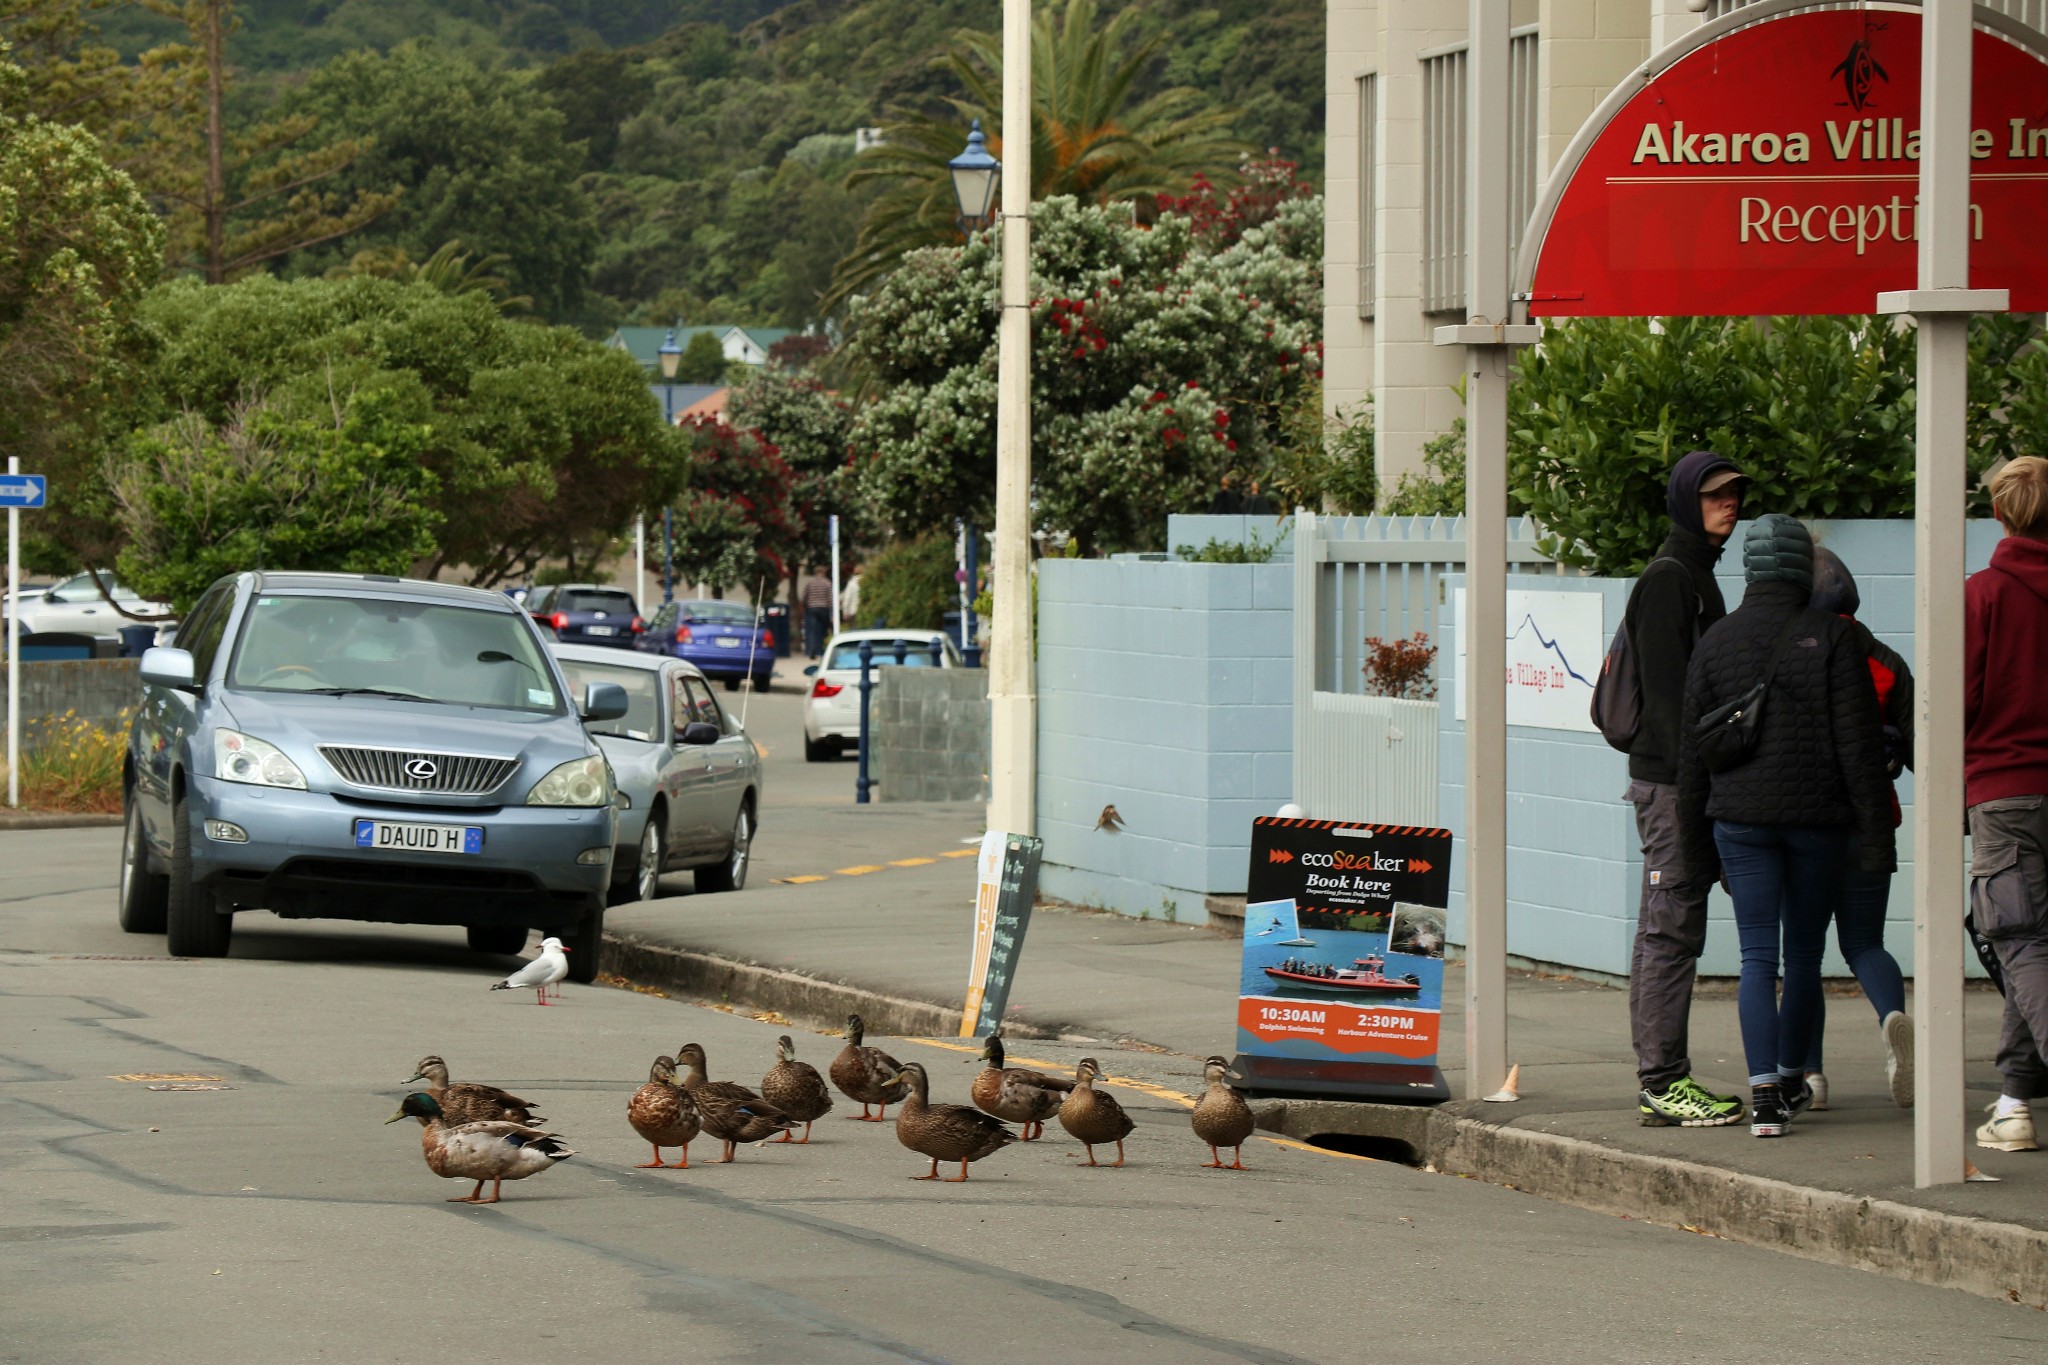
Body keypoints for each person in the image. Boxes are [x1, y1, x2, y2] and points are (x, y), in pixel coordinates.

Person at [1677, 514, 1895, 1138]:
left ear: (1751, 567)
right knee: (1801, 957)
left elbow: (1695, 758)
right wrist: (1877, 841)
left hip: (1739, 823)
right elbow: (1859, 750)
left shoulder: (1715, 640)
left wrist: (1696, 852)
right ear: (1803, 566)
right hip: (1817, 824)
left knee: (1754, 957)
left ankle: (1765, 1100)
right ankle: (1794, 1075)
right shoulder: (1834, 637)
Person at [1625, 449, 1751, 1128]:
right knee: (1671, 927)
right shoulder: (1673, 580)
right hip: (1674, 784)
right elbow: (1675, 702)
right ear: (1684, 501)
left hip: (1679, 782)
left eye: (1734, 493)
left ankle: (1661, 1075)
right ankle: (1663, 1080)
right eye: (1713, 494)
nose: (1728, 502)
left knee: (1664, 927)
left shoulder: (1697, 575)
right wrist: (1700, 789)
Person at [1799, 548, 1915, 1112]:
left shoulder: (1801, 652)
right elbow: (1919, 746)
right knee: (1866, 942)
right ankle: (1894, 1019)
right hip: (1874, 821)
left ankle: (1812, 1076)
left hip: (1811, 823)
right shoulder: (1887, 660)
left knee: (1804, 951)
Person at [1964, 455, 2048, 1153]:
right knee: (2034, 943)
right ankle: (2014, 1102)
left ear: (1998, 513)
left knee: (2020, 939)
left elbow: (1958, 698)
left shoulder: (1983, 595)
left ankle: (2018, 1101)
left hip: (2003, 791)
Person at [799, 567, 834, 658]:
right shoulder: (827, 583)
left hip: (812, 609)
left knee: (812, 631)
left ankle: (811, 650)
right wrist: (831, 612)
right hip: (824, 609)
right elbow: (830, 598)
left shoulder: (810, 583)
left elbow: (803, 597)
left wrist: (806, 606)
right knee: (823, 631)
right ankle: (821, 650)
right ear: (824, 573)